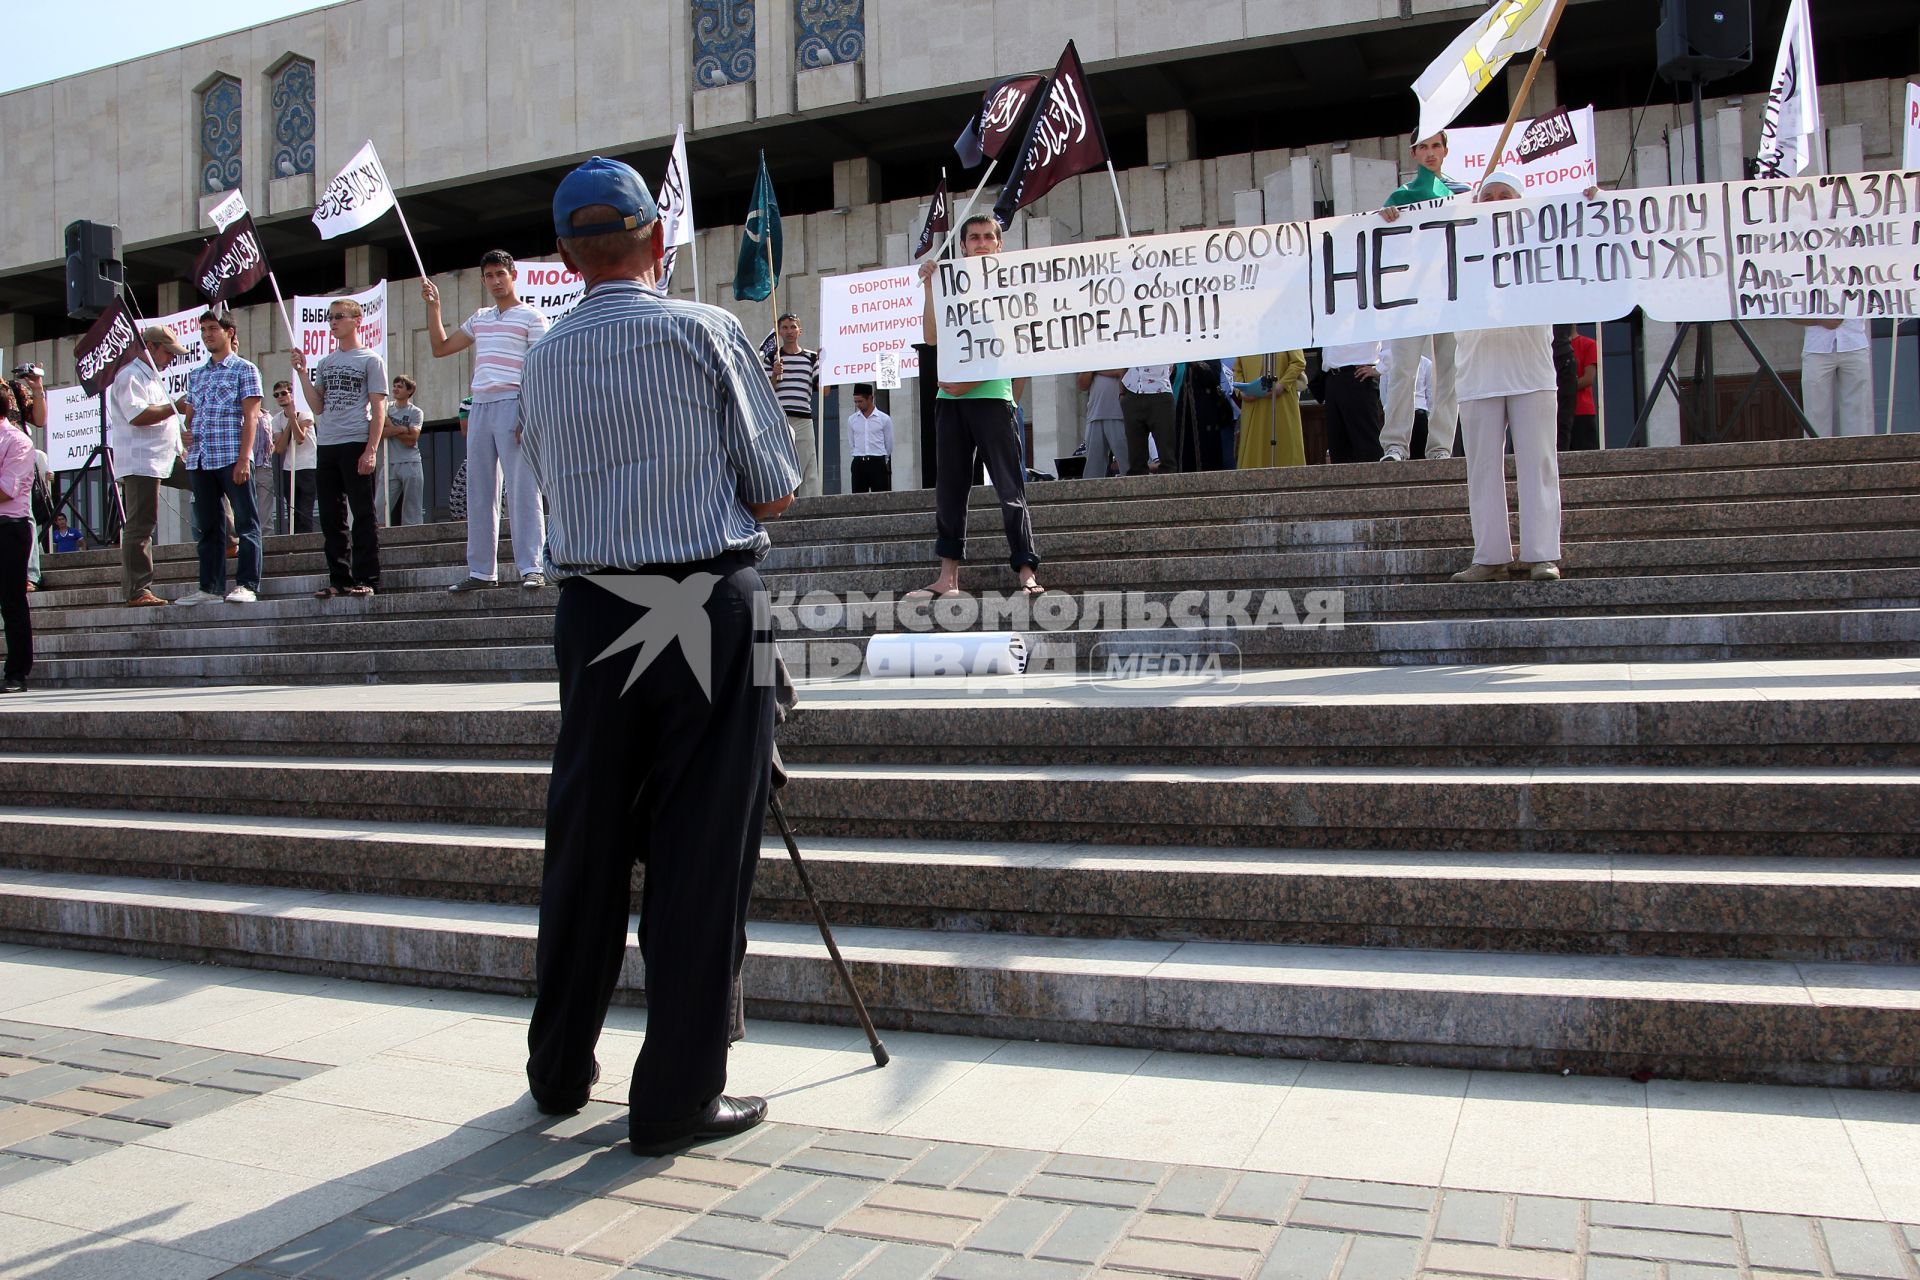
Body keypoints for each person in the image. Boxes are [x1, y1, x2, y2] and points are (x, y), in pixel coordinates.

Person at [517, 156, 799, 1154]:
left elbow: (549, 479)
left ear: (564, 255)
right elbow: (773, 487)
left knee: (586, 837)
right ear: (656, 241)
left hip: (594, 608)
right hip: (706, 598)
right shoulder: (706, 330)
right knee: (701, 850)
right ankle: (676, 1093)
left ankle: (558, 1068)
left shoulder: (543, 357)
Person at [914, 214, 1042, 598]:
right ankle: (948, 577)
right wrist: (929, 286)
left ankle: (1025, 570)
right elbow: (932, 337)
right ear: (964, 245)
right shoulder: (950, 284)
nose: (982, 243)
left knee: (1010, 488)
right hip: (949, 401)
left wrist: (983, 388)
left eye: (989, 237)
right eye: (974, 238)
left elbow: (1013, 349)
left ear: (998, 244)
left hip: (990, 398)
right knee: (950, 490)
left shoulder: (1011, 288)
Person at [1451, 171, 1562, 584]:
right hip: (1477, 370)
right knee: (1481, 470)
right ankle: (1490, 556)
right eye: (1489, 195)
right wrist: (1394, 221)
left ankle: (1543, 554)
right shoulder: (1456, 244)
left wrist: (1591, 201)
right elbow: (1413, 249)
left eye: (1506, 195)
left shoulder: (1542, 242)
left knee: (1538, 464)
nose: (1496, 200)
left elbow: (1582, 235)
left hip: (1530, 369)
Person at [426, 251, 549, 591]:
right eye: (489, 276)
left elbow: (538, 370)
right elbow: (441, 348)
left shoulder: (531, 317)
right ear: (482, 280)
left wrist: (529, 414)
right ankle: (482, 571)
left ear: (513, 275)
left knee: (524, 488)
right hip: (480, 404)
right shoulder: (480, 317)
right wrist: (434, 308)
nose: (495, 281)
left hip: (514, 403)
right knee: (480, 491)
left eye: (500, 274)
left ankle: (532, 567)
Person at [1377, 132, 1464, 462]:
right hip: (1410, 297)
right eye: (1424, 147)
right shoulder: (1400, 196)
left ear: (1445, 150)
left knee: (1449, 374)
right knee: (1403, 371)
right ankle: (1396, 444)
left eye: (1436, 146)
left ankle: (1440, 447)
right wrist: (1384, 219)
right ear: (1413, 153)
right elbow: (1380, 242)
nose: (1430, 153)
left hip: (1449, 294)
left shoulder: (1461, 193)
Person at [292, 297, 386, 599]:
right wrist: (303, 374)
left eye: (339, 317)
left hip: (356, 440)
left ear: (357, 321)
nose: (333, 323)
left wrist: (371, 449)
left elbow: (378, 408)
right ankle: (339, 578)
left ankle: (367, 577)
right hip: (328, 443)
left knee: (363, 513)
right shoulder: (326, 363)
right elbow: (318, 405)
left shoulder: (370, 360)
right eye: (330, 318)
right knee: (332, 517)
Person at [177, 312, 265, 605]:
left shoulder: (245, 369)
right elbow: (190, 418)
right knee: (209, 526)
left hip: (231, 455)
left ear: (229, 332)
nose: (207, 335)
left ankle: (247, 584)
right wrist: (186, 435)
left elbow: (251, 417)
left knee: (245, 522)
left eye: (213, 329)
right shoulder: (197, 374)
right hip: (201, 458)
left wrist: (244, 459)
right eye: (203, 330)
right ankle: (209, 587)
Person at [109, 326, 189, 606]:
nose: (170, 358)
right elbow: (138, 416)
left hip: (166, 455)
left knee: (205, 477)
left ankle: (228, 539)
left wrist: (181, 440)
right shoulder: (129, 376)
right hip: (142, 460)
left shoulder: (153, 377)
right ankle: (137, 589)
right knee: (141, 523)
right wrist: (175, 407)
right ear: (150, 347)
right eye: (167, 352)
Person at [765, 313, 822, 498]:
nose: (789, 331)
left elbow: (824, 390)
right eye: (785, 327)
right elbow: (765, 390)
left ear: (800, 330)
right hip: (779, 417)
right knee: (779, 462)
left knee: (808, 465)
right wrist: (774, 373)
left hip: (804, 417)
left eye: (793, 327)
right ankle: (780, 502)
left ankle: (811, 504)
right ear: (779, 331)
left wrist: (826, 363)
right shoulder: (772, 357)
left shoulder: (812, 358)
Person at [0, 407, 33, 690]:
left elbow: (6, 489)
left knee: (11, 601)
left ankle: (16, 673)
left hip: (8, 527)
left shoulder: (17, 440)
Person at [1796, 317, 1873, 438]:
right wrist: (1819, 321)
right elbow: (1787, 312)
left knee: (1858, 409)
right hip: (1817, 345)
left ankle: (1856, 453)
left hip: (1855, 341)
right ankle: (1817, 453)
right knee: (1815, 410)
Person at [1232, 351, 1306, 469]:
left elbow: (1298, 363)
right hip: (1253, 405)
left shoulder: (1288, 332)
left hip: (1281, 403)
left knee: (1284, 453)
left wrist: (1282, 385)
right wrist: (1241, 392)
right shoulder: (1245, 335)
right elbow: (1236, 369)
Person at [1317, 341, 1385, 464]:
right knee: (1337, 444)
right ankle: (1344, 482)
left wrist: (1381, 368)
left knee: (1366, 442)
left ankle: (1375, 482)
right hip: (1332, 377)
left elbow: (1388, 336)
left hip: (1357, 374)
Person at [270, 380, 317, 534]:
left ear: (291, 394)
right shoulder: (276, 419)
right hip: (289, 468)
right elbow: (280, 447)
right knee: (292, 509)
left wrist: (293, 418)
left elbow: (300, 438)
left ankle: (306, 540)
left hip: (307, 466)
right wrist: (290, 422)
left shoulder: (304, 412)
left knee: (305, 509)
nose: (280, 397)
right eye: (277, 395)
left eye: (284, 393)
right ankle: (294, 540)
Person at [384, 374, 426, 525]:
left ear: (409, 391)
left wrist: (390, 426)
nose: (395, 389)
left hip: (411, 462)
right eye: (394, 386)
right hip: (389, 463)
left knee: (412, 509)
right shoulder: (385, 408)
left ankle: (415, 543)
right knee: (380, 506)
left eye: (400, 386)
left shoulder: (415, 412)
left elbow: (411, 440)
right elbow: (378, 433)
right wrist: (401, 429)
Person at [1120, 365, 1175, 477]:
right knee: (1135, 456)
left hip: (1160, 390)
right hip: (1132, 391)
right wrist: (1122, 393)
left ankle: (1168, 489)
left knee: (1166, 453)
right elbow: (1124, 362)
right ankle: (1137, 487)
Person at [1076, 368, 1128, 479]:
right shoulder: (1092, 359)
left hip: (1119, 414)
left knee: (1126, 462)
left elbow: (1122, 371)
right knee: (1093, 467)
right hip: (1095, 415)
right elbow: (1082, 385)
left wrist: (1096, 370)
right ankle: (1091, 495)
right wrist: (1092, 369)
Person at [844, 383, 893, 493]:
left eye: (860, 401)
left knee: (881, 498)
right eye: (855, 402)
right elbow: (852, 443)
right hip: (859, 463)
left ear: (870, 398)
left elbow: (889, 444)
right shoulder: (852, 420)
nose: (858, 405)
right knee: (858, 500)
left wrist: (882, 459)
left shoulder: (884, 419)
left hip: (877, 462)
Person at [1568, 328, 1600, 451]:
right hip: (1559, 412)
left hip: (1582, 411)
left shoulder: (1588, 344)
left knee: (1587, 456)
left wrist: (1564, 387)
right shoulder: (1552, 347)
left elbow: (1588, 378)